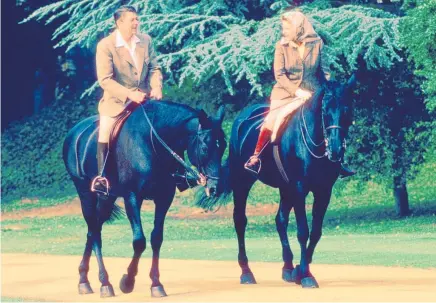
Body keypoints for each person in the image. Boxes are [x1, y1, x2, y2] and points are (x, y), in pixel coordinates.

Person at [244, 10, 355, 178]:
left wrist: (325, 90)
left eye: (287, 28)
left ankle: (339, 161)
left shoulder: (317, 43)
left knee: (332, 119)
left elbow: (324, 71)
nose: (284, 31)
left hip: (314, 92)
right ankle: (256, 157)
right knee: (271, 120)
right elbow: (279, 74)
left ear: (298, 27)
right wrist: (296, 91)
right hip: (286, 93)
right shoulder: (281, 45)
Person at [91, 5, 163, 195]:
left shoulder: (145, 40)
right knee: (105, 132)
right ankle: (102, 177)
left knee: (165, 127)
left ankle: (177, 173)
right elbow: (105, 80)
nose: (136, 23)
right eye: (132, 20)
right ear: (119, 22)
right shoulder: (105, 45)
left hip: (145, 100)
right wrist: (130, 94)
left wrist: (156, 86)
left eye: (137, 19)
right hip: (116, 103)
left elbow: (155, 68)